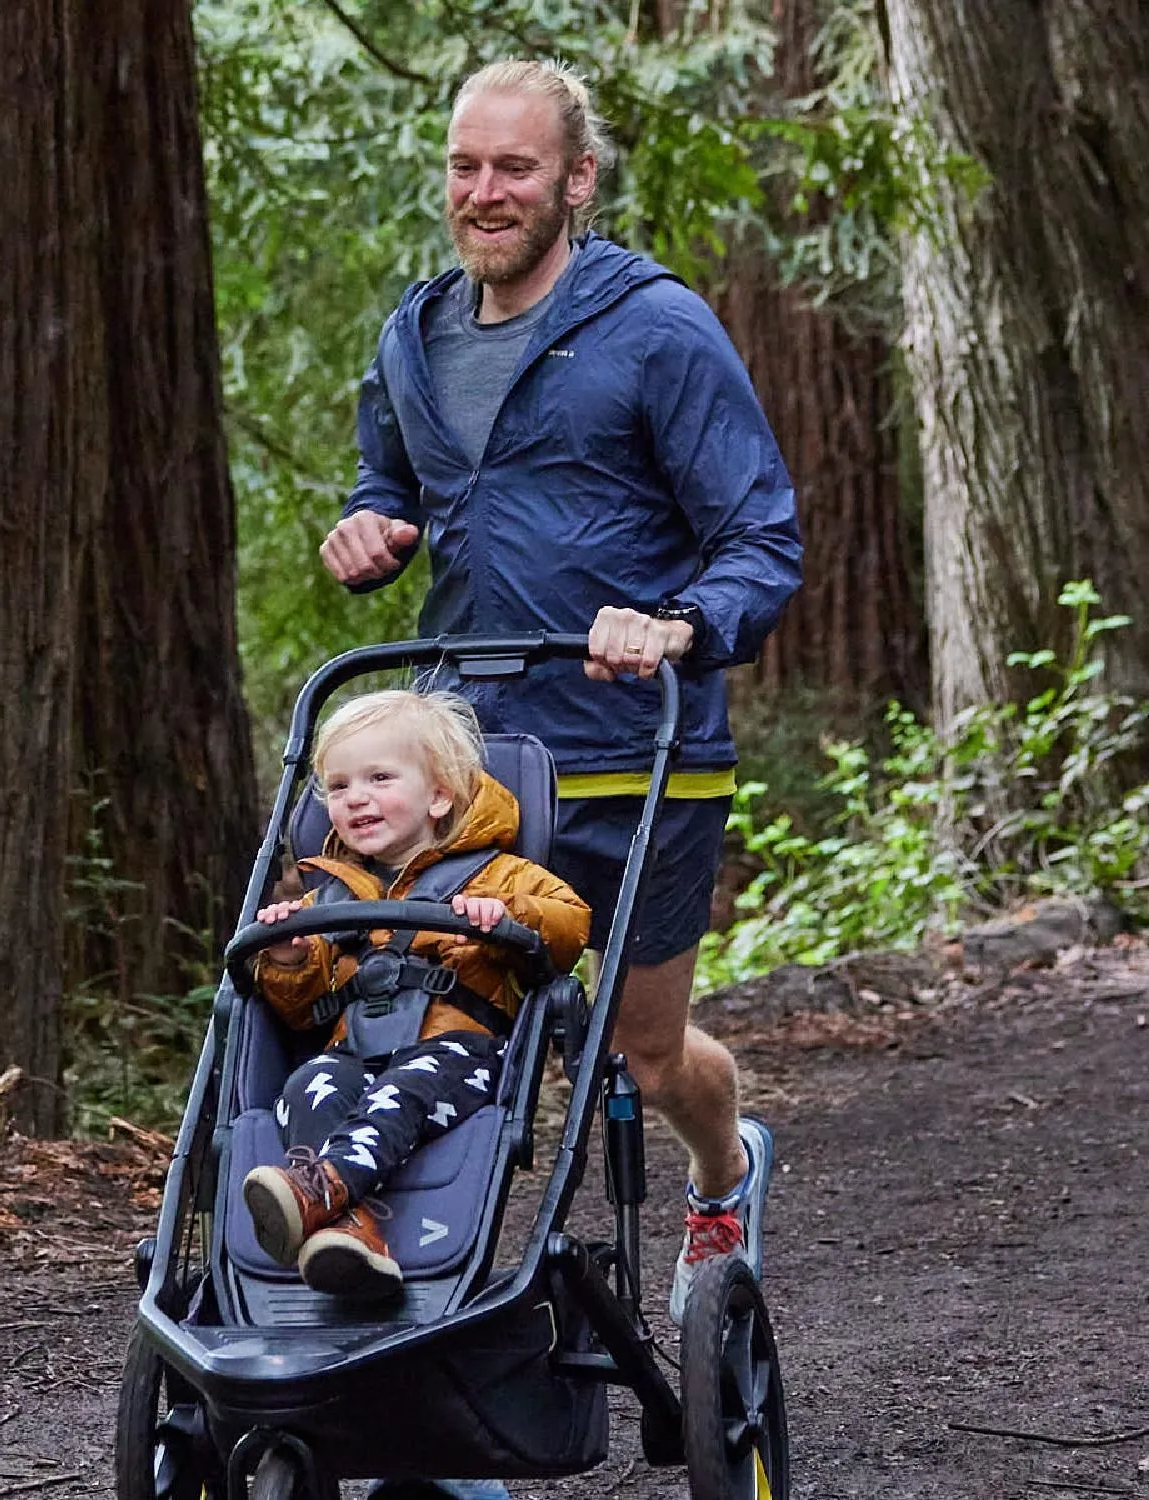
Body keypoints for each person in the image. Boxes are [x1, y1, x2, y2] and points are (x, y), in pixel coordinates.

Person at [318, 58, 803, 1329]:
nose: (485, 192)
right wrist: (372, 529)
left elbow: (760, 538)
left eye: (515, 168)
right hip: (465, 766)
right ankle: (409, 1297)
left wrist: (678, 623)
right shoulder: (414, 336)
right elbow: (392, 485)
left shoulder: (658, 327)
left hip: (635, 752)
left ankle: (724, 1173)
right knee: (423, 1029)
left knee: (638, 1054)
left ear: (576, 180)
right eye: (466, 167)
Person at [242, 688, 589, 1301]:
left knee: (405, 1088)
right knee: (306, 1084)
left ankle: (317, 1189)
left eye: (379, 778)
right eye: (339, 786)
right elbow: (296, 1013)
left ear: (438, 796)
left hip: (460, 1055)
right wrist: (287, 957)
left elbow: (571, 923)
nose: (356, 797)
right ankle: (353, 1231)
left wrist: (506, 914)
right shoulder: (326, 900)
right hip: (355, 1054)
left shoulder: (498, 873)